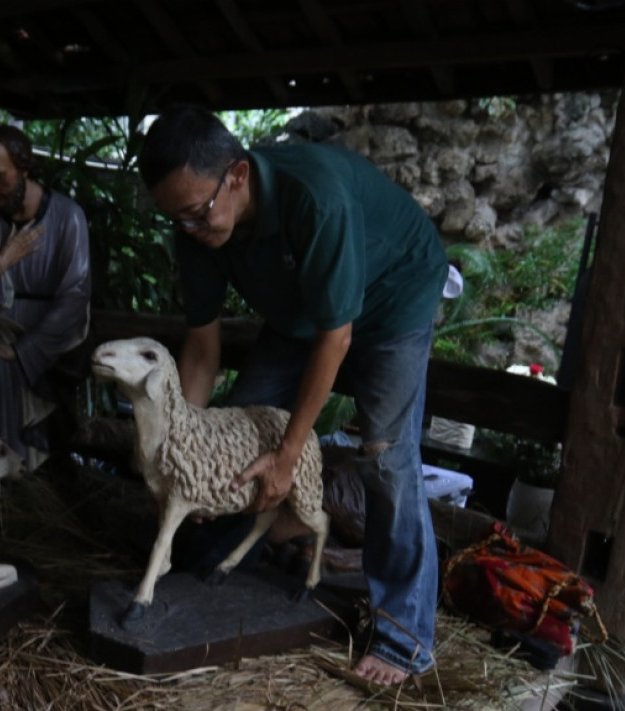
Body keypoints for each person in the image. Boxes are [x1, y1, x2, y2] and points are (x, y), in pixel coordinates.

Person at [137, 105, 448, 685]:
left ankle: (405, 637)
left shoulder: (316, 199)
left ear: (238, 174)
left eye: (197, 213)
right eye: (176, 218)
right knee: (237, 428)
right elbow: (202, 351)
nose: (190, 230)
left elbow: (338, 338)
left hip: (392, 299)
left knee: (386, 456)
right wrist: (185, 447)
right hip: (305, 308)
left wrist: (286, 459)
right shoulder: (196, 225)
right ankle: (212, 566)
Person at [0, 125, 91, 471]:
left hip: (49, 339)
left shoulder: (68, 217)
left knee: (11, 369)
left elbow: (75, 297)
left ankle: (27, 479)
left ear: (25, 167)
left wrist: (20, 351)